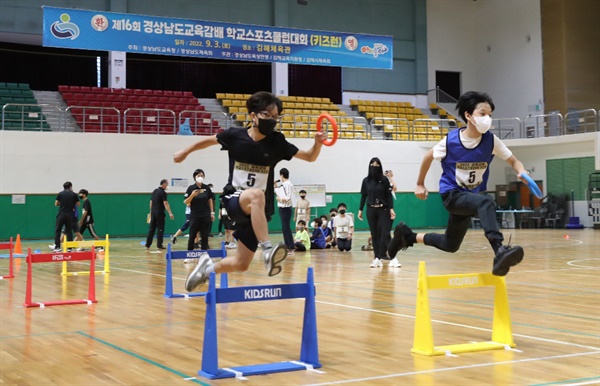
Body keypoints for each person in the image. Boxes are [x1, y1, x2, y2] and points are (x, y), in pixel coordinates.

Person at [173, 91, 325, 292]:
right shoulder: (235, 136)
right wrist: (185, 151)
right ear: (253, 116)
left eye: (275, 117)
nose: (272, 121)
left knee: (241, 263)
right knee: (256, 194)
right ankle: (268, 250)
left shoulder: (277, 142)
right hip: (234, 199)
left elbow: (309, 157)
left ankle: (207, 269)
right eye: (267, 116)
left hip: (258, 211)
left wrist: (317, 143)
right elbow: (209, 140)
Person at [388, 91, 525, 276]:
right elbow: (428, 156)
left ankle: (407, 236)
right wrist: (420, 184)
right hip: (452, 195)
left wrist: (521, 171)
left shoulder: (491, 141)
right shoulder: (451, 141)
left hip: (469, 198)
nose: (488, 119)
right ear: (468, 116)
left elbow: (515, 161)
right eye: (483, 114)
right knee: (485, 202)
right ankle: (499, 250)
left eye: (490, 115)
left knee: (450, 245)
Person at [358, 157, 399, 268]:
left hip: (383, 209)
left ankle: (393, 258)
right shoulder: (366, 181)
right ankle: (377, 258)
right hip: (370, 210)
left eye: (377, 165)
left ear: (380, 166)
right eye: (372, 165)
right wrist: (360, 210)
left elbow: (388, 195)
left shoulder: (384, 180)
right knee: (374, 235)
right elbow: (363, 196)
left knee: (386, 234)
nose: (374, 167)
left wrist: (391, 208)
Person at [183, 169, 215, 252]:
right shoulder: (191, 188)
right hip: (194, 216)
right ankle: (189, 254)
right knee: (192, 235)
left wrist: (212, 213)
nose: (200, 177)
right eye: (198, 176)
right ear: (195, 177)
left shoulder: (206, 188)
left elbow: (210, 200)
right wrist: (192, 195)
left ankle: (204, 254)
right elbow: (186, 201)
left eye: (202, 176)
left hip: (205, 215)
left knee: (204, 235)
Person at [145, 179, 175, 251]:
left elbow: (151, 202)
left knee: (151, 229)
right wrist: (170, 213)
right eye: (167, 184)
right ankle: (159, 245)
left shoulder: (155, 191)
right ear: (164, 184)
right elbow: (165, 203)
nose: (167, 186)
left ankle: (147, 245)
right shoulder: (163, 193)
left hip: (153, 213)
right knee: (160, 229)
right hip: (160, 213)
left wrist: (151, 211)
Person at [50, 181, 79, 252]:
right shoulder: (74, 194)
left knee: (57, 231)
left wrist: (62, 204)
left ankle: (57, 247)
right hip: (70, 215)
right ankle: (69, 248)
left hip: (61, 214)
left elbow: (56, 203)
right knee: (69, 231)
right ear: (70, 186)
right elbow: (78, 204)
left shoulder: (60, 194)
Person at [275, 168, 295, 254]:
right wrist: (275, 186)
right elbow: (279, 193)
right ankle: (287, 246)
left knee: (286, 227)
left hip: (286, 208)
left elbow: (288, 198)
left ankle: (291, 247)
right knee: (284, 228)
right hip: (282, 208)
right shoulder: (283, 184)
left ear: (282, 175)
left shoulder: (288, 184)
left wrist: (280, 199)